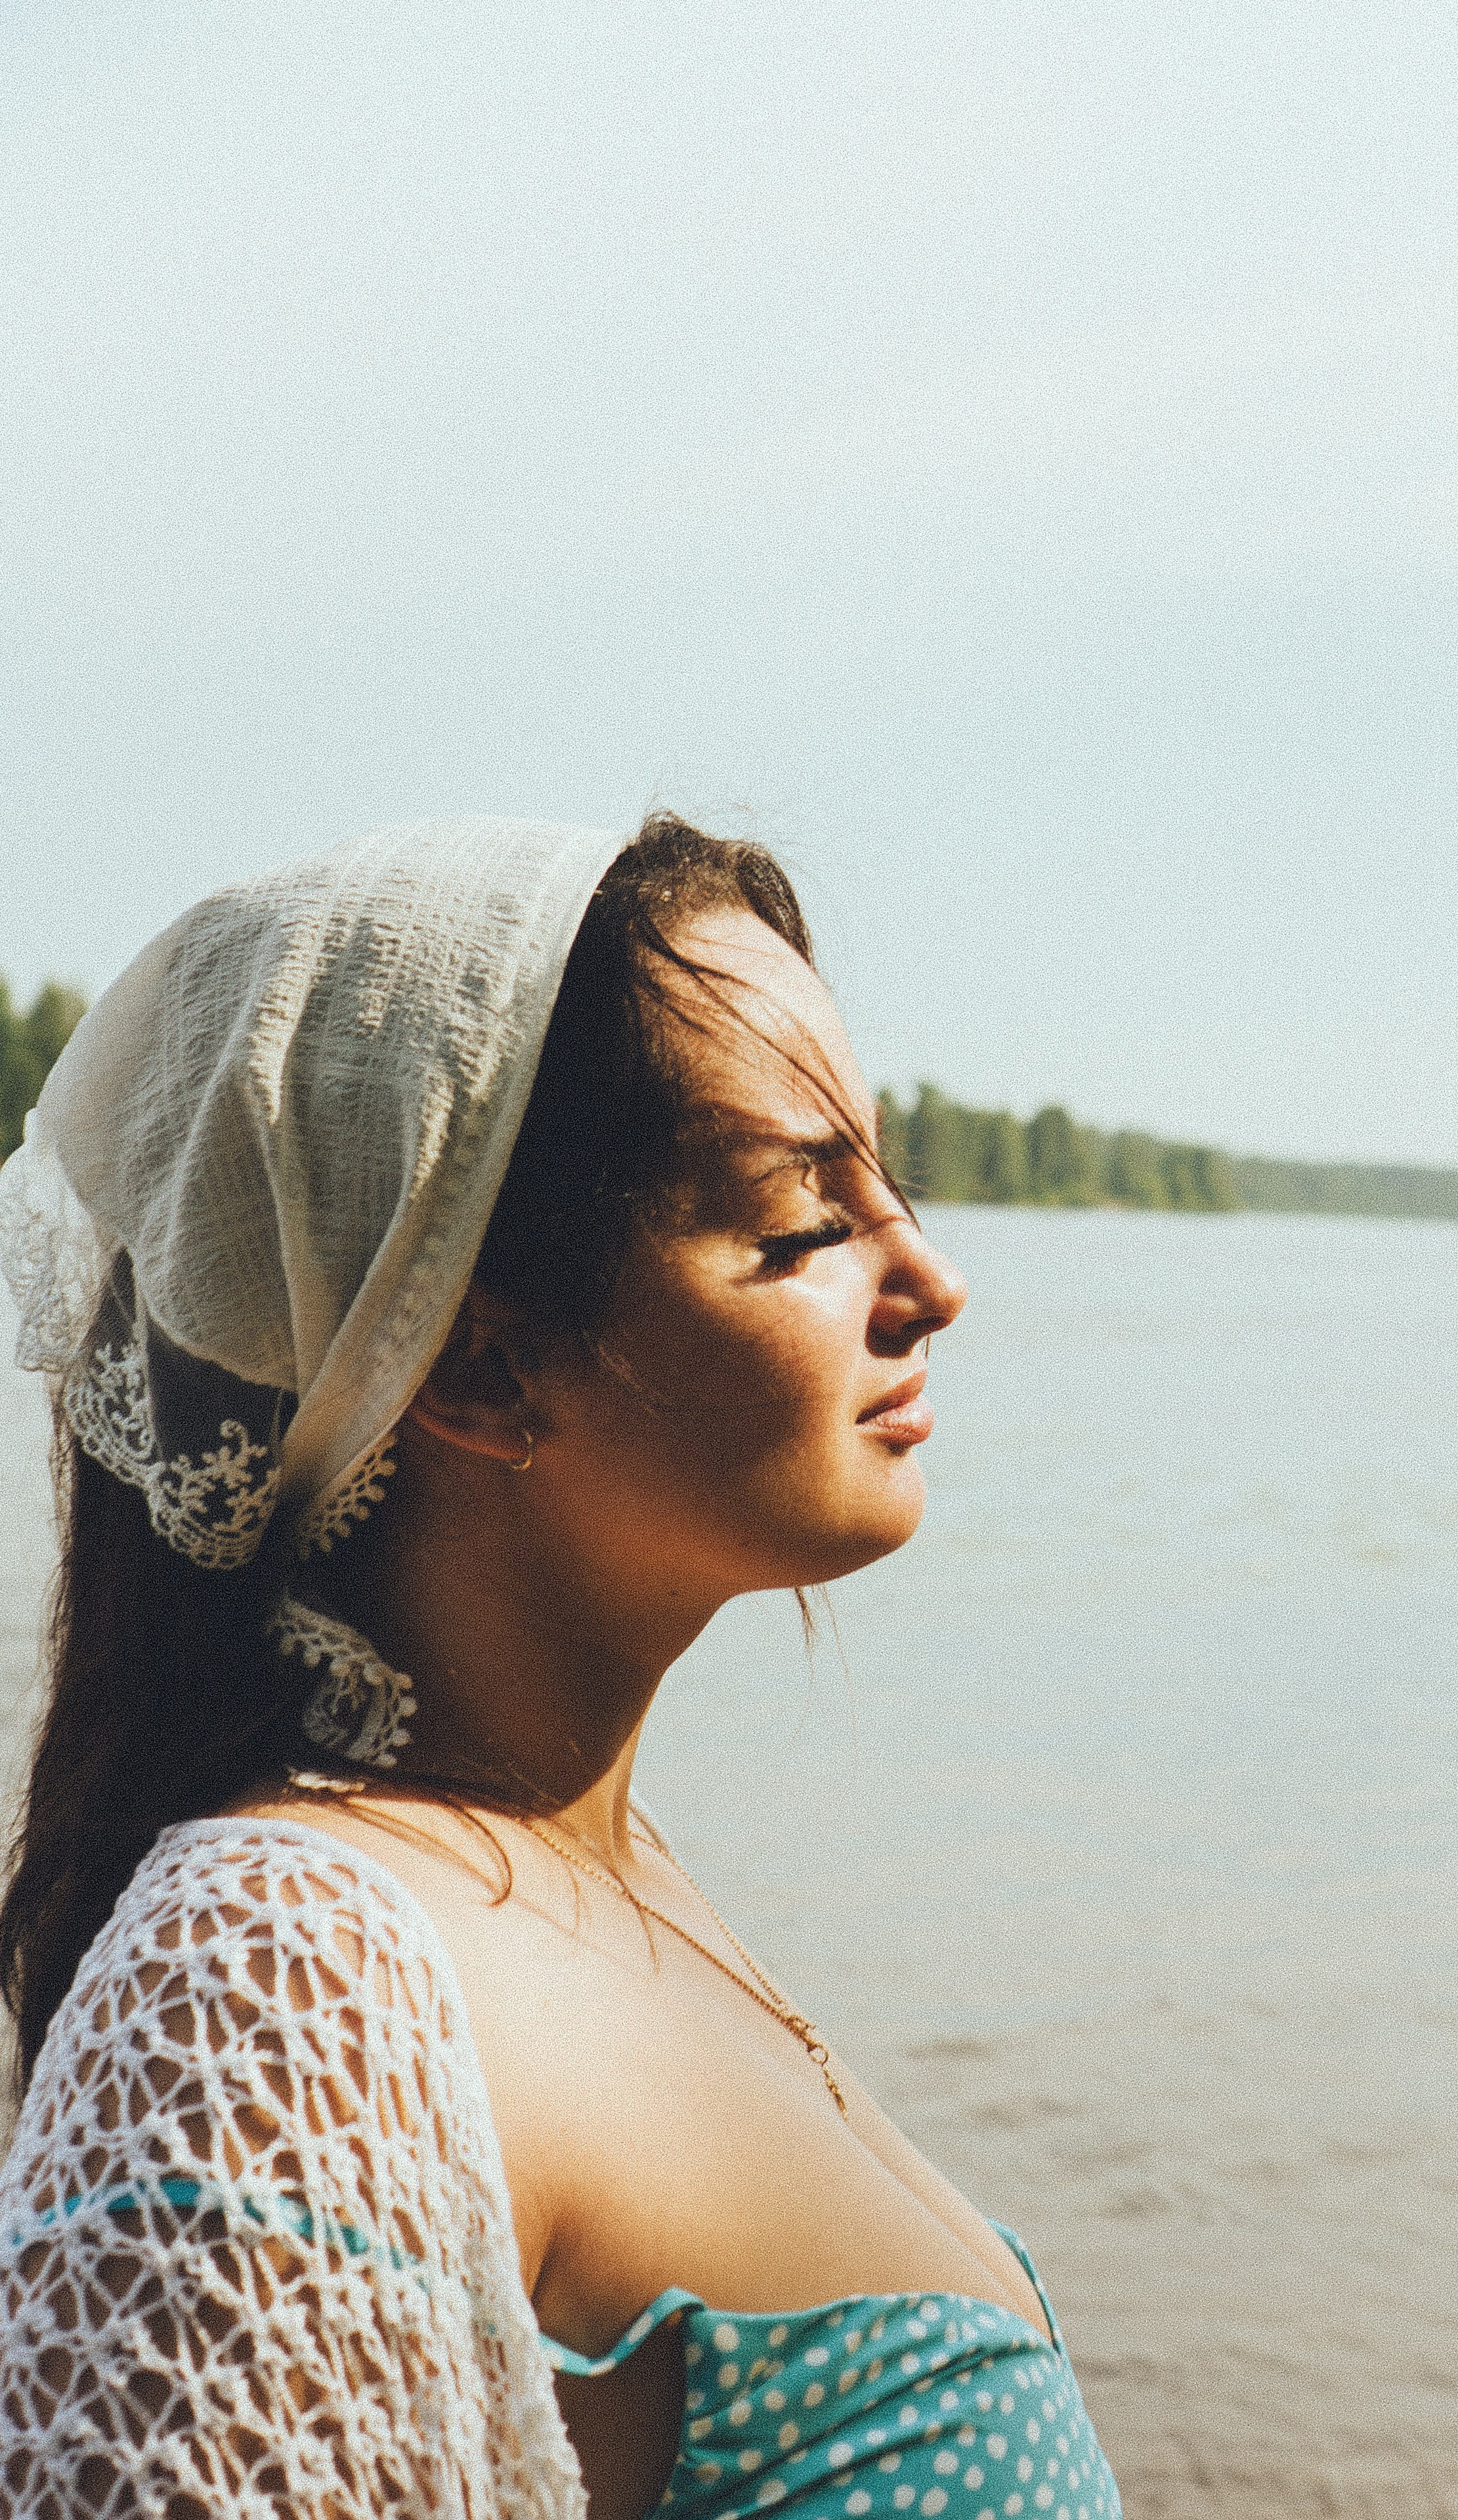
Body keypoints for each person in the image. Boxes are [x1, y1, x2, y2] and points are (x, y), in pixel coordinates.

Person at [0, 813, 1126, 2520]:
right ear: (478, 1367)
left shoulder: (611, 1873)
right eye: (803, 1218)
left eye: (891, 1179)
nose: (933, 1278)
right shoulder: (277, 1983)